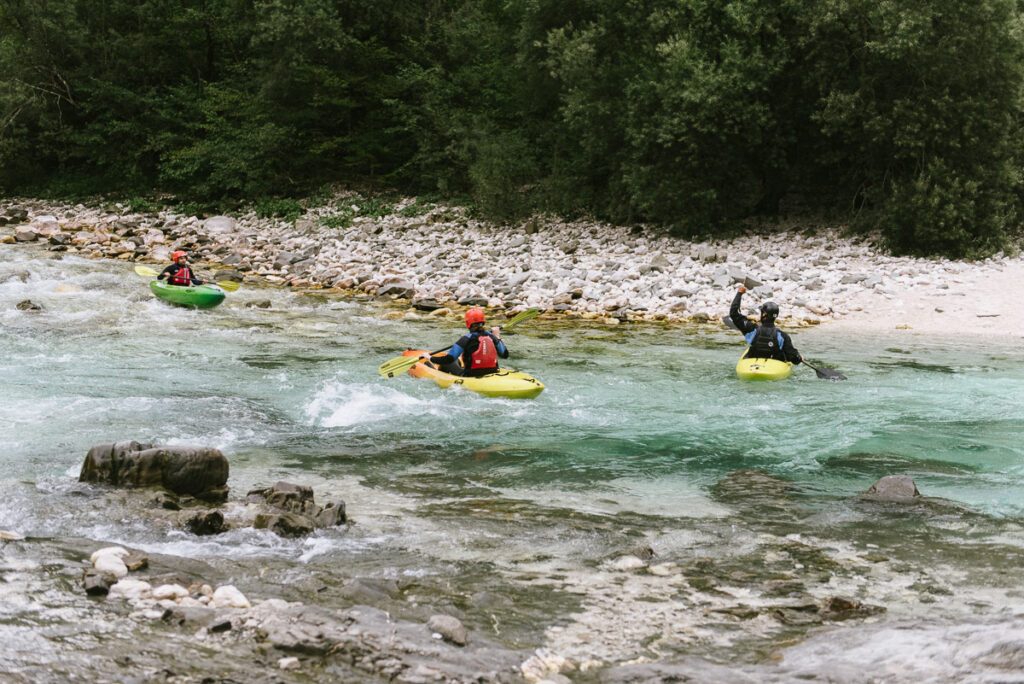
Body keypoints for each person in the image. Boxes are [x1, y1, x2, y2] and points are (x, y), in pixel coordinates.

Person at [425, 308, 509, 377]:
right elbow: (505, 355)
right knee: (457, 360)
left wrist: (430, 357)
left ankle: (437, 374)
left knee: (448, 363)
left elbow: (448, 359)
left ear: (468, 323)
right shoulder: (492, 336)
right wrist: (497, 336)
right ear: (483, 321)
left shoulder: (466, 338)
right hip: (493, 371)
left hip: (471, 375)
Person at [729, 285, 802, 364]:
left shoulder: (751, 329)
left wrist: (739, 293)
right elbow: (793, 358)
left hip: (752, 364)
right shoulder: (783, 336)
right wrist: (798, 357)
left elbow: (734, 314)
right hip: (774, 364)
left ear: (764, 315)